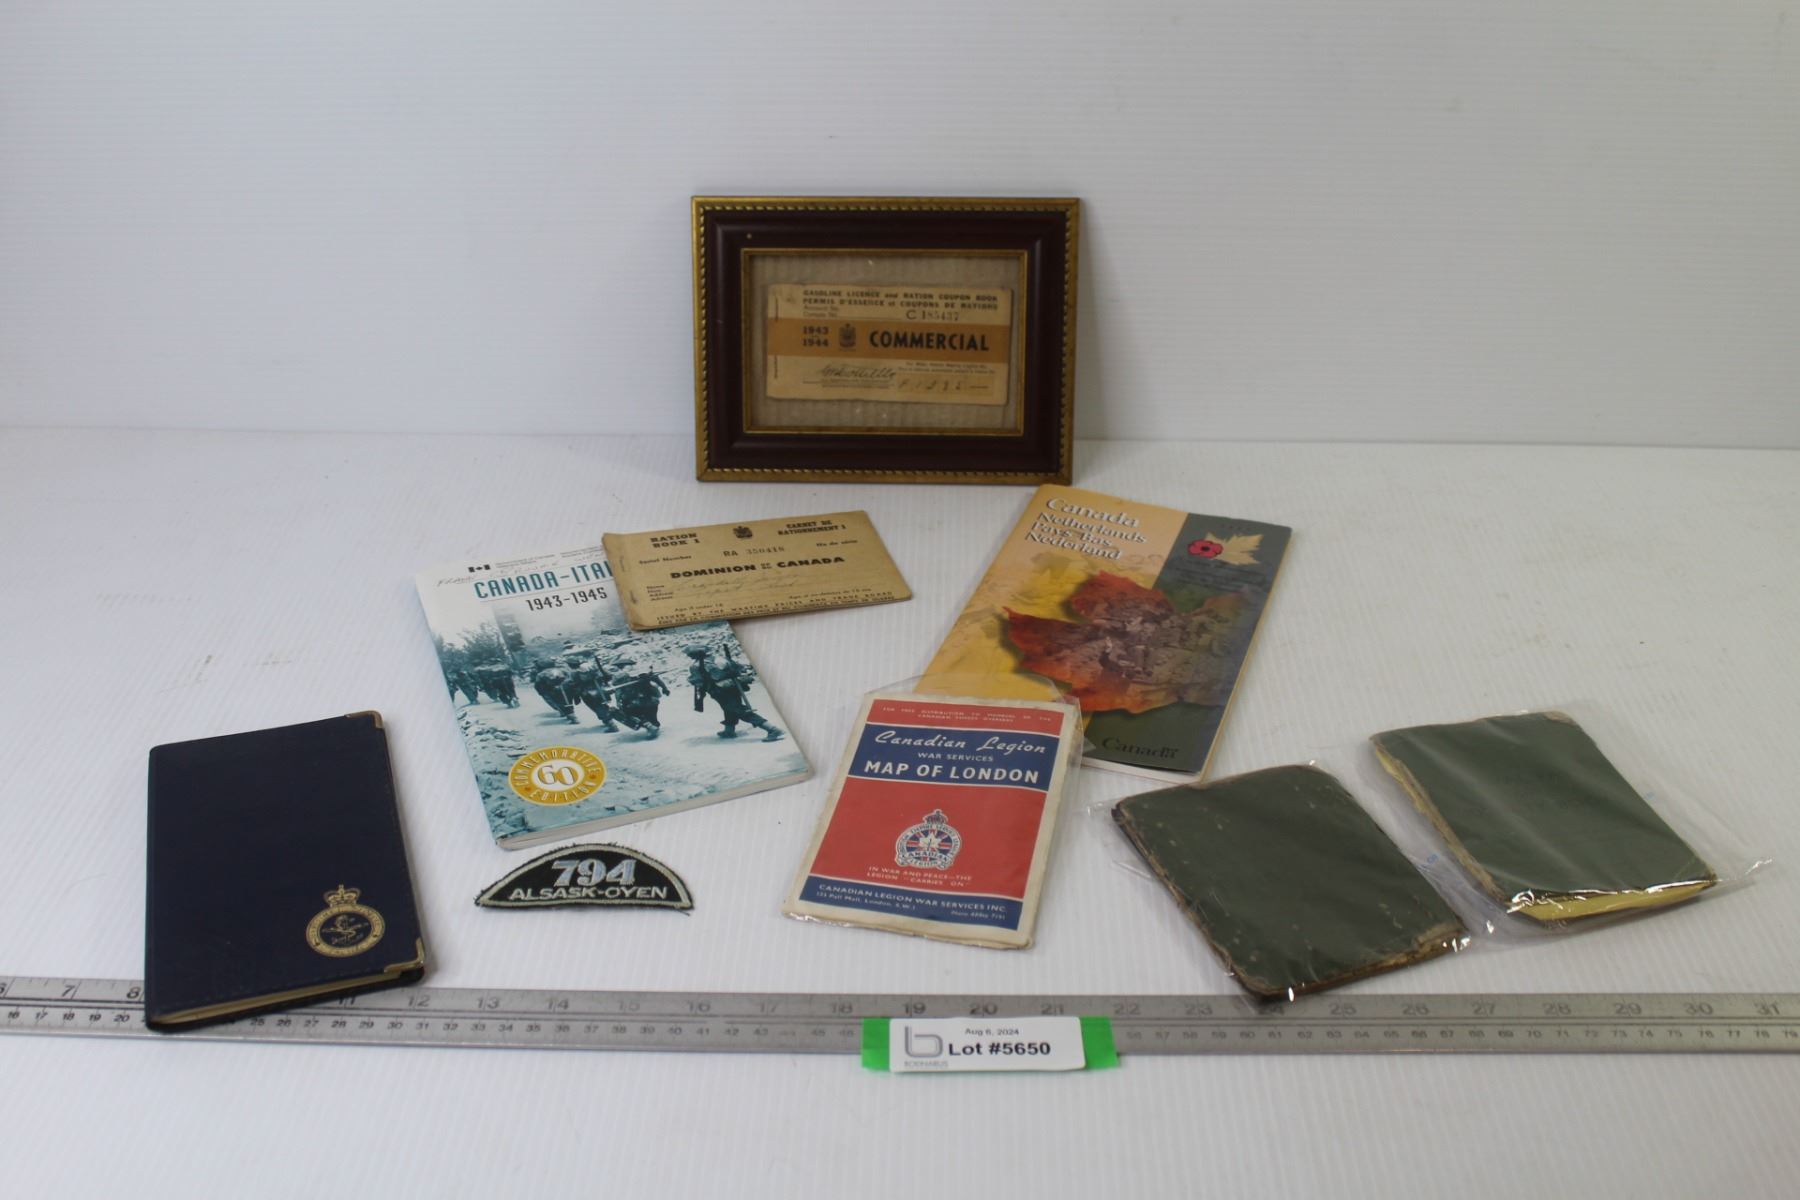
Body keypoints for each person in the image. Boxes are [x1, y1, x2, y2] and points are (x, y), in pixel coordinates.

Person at [685, 644, 783, 741]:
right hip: (733, 686)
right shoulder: (720, 659)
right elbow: (739, 668)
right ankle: (729, 730)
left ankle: (772, 729)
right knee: (728, 709)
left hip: (719, 691)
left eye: (690, 654)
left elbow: (698, 681)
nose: (689, 656)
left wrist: (696, 684)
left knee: (739, 711)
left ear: (695, 654)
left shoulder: (696, 666)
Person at [609, 657, 670, 737]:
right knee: (651, 714)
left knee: (627, 713)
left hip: (633, 702)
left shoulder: (619, 675)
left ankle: (649, 726)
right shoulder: (644, 671)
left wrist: (618, 702)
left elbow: (618, 690)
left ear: (620, 666)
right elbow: (657, 680)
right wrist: (665, 689)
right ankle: (653, 726)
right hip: (651, 699)